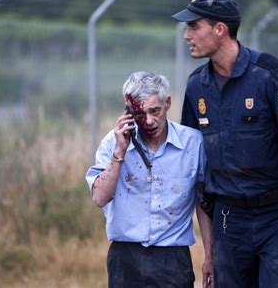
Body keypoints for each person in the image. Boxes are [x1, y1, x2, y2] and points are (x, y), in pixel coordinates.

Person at [172, 0, 278, 287]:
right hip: (230, 222)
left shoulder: (274, 77)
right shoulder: (197, 87)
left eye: (194, 26)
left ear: (220, 29)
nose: (187, 35)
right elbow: (193, 161)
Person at [86, 71, 214, 288]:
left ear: (167, 103)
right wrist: (120, 152)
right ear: (128, 111)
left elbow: (204, 204)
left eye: (154, 111)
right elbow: (99, 198)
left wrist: (210, 257)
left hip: (172, 258)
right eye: (140, 113)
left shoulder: (193, 144)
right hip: (125, 256)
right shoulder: (113, 143)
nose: (148, 121)